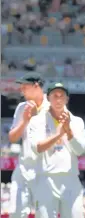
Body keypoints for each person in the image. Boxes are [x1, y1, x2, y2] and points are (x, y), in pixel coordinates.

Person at [27, 82, 85, 218]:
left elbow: (79, 150)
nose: (58, 100)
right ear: (48, 98)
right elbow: (37, 148)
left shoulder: (77, 121)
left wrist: (68, 131)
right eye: (55, 96)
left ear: (67, 99)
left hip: (70, 177)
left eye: (62, 96)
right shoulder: (37, 121)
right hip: (45, 178)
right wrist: (59, 134)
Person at [8, 72, 50, 218]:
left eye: (25, 87)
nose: (22, 90)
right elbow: (12, 138)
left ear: (36, 86)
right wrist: (25, 120)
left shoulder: (53, 107)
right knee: (16, 213)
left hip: (46, 171)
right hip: (24, 167)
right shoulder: (21, 107)